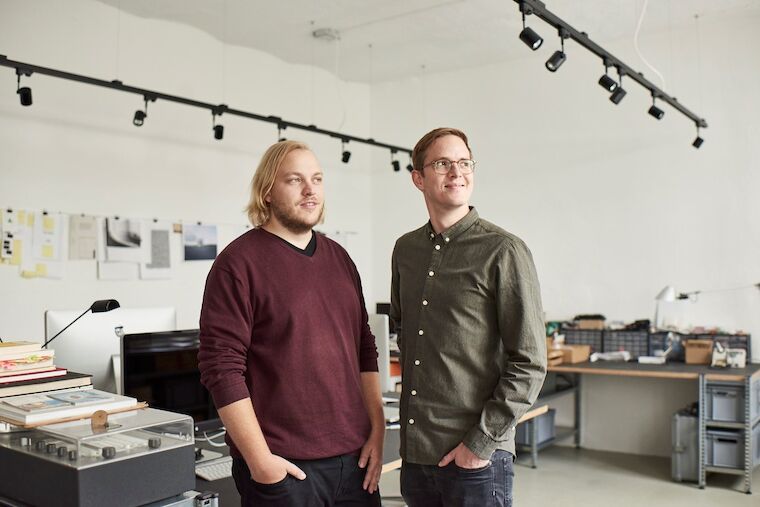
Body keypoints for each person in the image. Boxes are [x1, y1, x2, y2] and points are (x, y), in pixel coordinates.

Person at [198, 140, 384, 507]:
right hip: (285, 470)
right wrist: (260, 462)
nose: (310, 189)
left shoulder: (340, 258)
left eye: (316, 179)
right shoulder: (237, 264)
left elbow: (364, 346)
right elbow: (221, 368)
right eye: (295, 180)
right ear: (267, 191)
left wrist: (376, 429)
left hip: (356, 464)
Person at [390, 127, 547, 507]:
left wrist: (478, 446)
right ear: (418, 178)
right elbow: (405, 337)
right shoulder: (405, 250)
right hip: (416, 455)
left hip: (477, 459)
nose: (457, 172)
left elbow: (529, 362)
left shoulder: (503, 250)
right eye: (443, 163)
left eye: (464, 163)